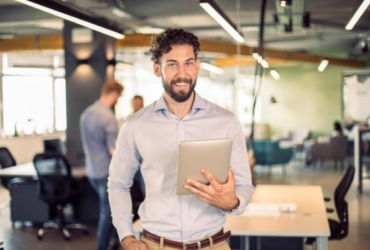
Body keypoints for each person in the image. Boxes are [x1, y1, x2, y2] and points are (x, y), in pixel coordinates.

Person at [108, 28, 253, 250]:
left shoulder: (227, 122)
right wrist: (126, 236)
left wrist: (232, 203)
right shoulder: (135, 125)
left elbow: (244, 184)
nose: (182, 73)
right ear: (158, 69)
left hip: (213, 244)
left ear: (197, 66)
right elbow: (118, 183)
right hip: (156, 245)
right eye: (172, 64)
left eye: (188, 63)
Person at [80, 79, 124, 250]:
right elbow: (112, 150)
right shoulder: (108, 117)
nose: (117, 100)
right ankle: (101, 247)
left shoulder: (86, 113)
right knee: (107, 212)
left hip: (91, 171)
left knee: (110, 208)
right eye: (118, 97)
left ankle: (113, 240)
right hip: (106, 172)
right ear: (114, 94)